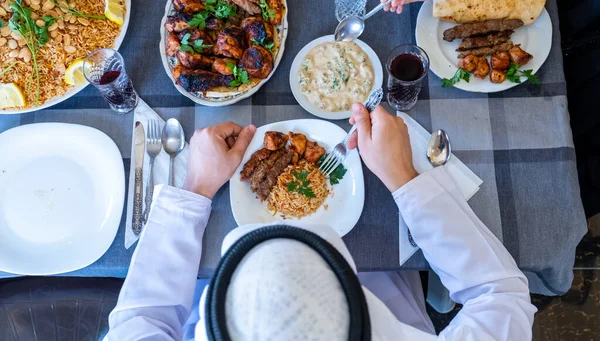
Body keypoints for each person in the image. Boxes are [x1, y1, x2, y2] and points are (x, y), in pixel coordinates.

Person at [104, 105, 536, 340]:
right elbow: (501, 295)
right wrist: (404, 177)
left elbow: (142, 319)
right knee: (397, 276)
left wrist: (196, 187)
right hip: (392, 302)